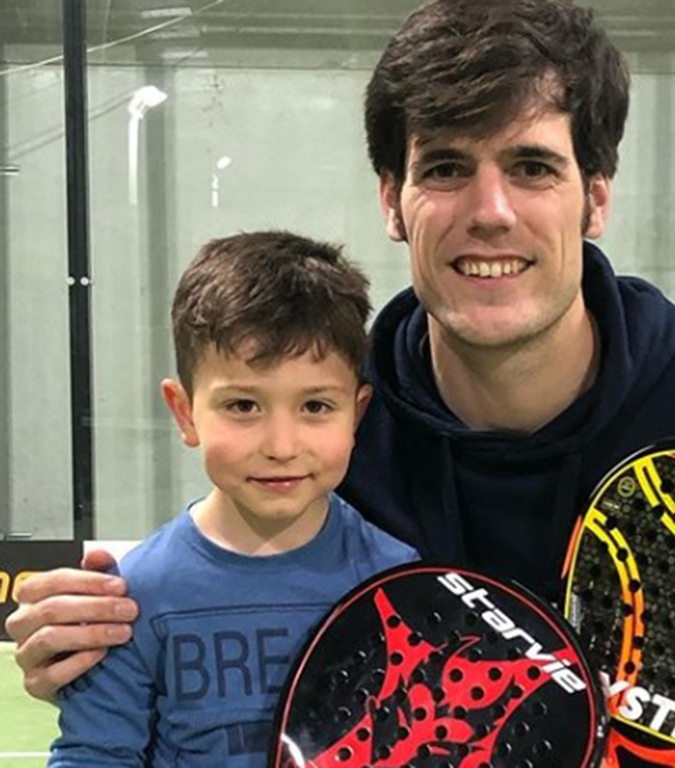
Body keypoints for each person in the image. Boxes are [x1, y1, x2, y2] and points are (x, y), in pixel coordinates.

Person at [8, 1, 675, 766]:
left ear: (597, 196)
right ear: (392, 199)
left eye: (533, 167)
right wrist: (96, 642)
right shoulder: (334, 431)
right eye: (447, 168)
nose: (489, 212)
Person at [45, 231, 418, 766]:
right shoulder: (133, 596)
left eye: (315, 406)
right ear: (184, 412)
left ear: (357, 415)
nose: (282, 447)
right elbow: (94, 755)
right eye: (243, 405)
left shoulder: (399, 583)